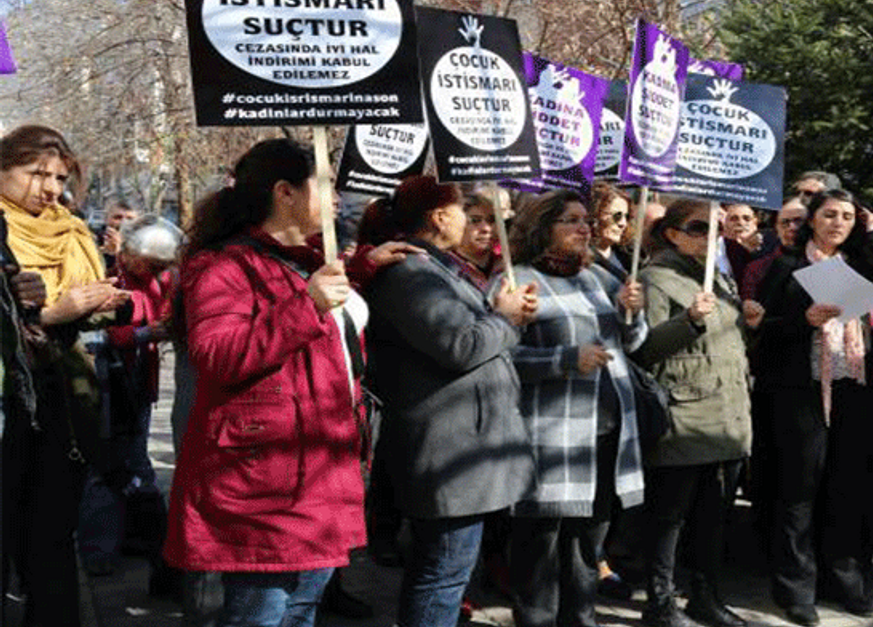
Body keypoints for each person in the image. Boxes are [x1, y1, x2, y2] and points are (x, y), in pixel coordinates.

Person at [163, 138, 413, 627]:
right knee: (264, 613)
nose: (338, 199)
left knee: (300, 609)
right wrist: (308, 304)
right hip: (267, 480)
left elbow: (313, 296)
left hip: (318, 465)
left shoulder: (306, 256)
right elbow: (218, 355)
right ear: (285, 193)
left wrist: (362, 266)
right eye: (324, 185)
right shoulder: (222, 266)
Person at [359, 175, 539, 627]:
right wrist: (506, 319)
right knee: (440, 574)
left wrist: (504, 316)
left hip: (464, 446)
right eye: (465, 212)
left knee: (451, 573)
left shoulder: (439, 267)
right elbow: (459, 346)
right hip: (446, 448)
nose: (470, 222)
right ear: (440, 217)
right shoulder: (412, 273)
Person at [0, 124, 132, 627]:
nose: (50, 189)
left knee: (52, 538)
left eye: (59, 176)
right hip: (11, 399)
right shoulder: (2, 229)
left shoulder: (71, 228)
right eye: (36, 174)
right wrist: (54, 313)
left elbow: (79, 303)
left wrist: (104, 303)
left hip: (64, 401)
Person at [753, 188, 873, 625]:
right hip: (799, 393)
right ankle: (796, 587)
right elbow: (762, 332)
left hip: (854, 390)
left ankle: (844, 580)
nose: (838, 223)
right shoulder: (787, 265)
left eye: (846, 217)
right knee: (799, 491)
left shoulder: (860, 265)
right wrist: (803, 322)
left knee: (847, 488)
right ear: (812, 220)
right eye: (829, 215)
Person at [504, 189, 647, 627]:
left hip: (606, 435)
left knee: (588, 548)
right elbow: (501, 360)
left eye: (586, 220)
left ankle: (581, 620)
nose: (584, 228)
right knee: (540, 550)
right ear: (543, 227)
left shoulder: (599, 278)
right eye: (570, 220)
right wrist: (565, 360)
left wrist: (632, 315)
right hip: (550, 439)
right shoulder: (516, 281)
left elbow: (633, 345)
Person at [632, 199, 763, 627]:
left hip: (728, 416)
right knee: (669, 519)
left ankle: (706, 598)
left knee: (713, 519)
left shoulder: (720, 278)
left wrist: (752, 325)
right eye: (698, 227)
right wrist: (688, 320)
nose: (711, 236)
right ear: (671, 233)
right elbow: (644, 349)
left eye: (717, 228)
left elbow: (731, 348)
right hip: (685, 418)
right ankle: (661, 602)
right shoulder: (653, 279)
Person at [79, 215, 181, 582]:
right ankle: (99, 550)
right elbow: (97, 336)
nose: (154, 271)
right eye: (151, 264)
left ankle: (130, 539)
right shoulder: (108, 277)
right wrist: (146, 333)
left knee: (134, 463)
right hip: (109, 381)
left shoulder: (159, 281)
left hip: (139, 378)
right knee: (105, 469)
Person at [449, 190, 501, 290]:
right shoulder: (445, 266)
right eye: (475, 220)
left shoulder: (506, 265)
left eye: (491, 220)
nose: (486, 229)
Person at [590, 182, 634, 283]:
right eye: (617, 216)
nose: (623, 224)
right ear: (596, 215)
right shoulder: (579, 261)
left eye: (626, 217)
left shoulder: (629, 258)